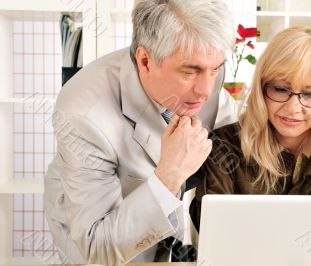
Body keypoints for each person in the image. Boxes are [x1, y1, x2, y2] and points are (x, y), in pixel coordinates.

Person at [44, 0, 236, 265]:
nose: (206, 90)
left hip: (164, 220)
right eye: (189, 72)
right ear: (145, 61)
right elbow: (98, 246)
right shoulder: (83, 113)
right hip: (97, 231)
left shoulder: (207, 72)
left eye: (215, 69)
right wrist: (170, 175)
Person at [190, 26, 311, 226]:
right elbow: (214, 234)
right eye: (281, 89)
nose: (293, 108)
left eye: (310, 94)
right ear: (261, 88)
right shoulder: (224, 146)